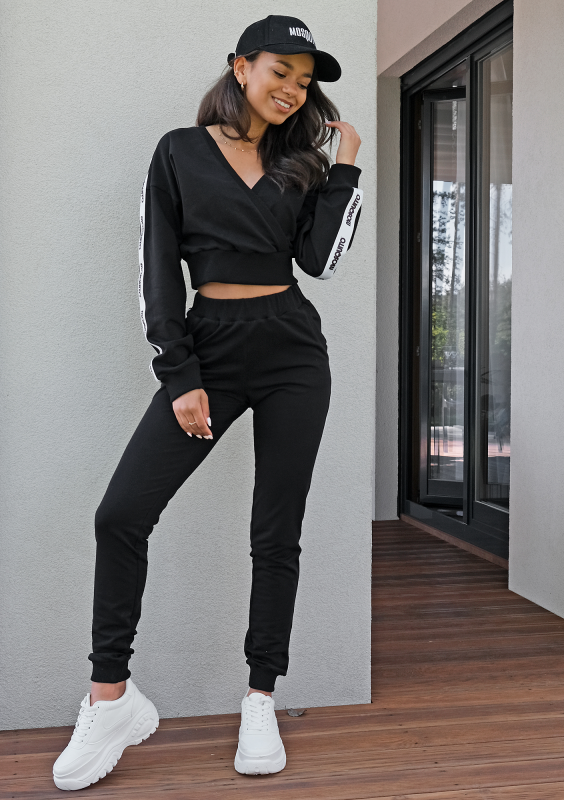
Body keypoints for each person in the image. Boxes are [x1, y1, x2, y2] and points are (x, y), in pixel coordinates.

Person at [53, 14, 362, 790]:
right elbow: (158, 269)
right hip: (211, 350)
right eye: (281, 71)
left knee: (275, 532)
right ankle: (110, 698)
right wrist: (179, 374)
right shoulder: (179, 152)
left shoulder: (302, 163)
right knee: (121, 514)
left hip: (293, 350)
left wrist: (346, 169)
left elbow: (320, 261)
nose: (293, 89)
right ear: (241, 65)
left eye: (305, 81)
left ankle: (260, 699)